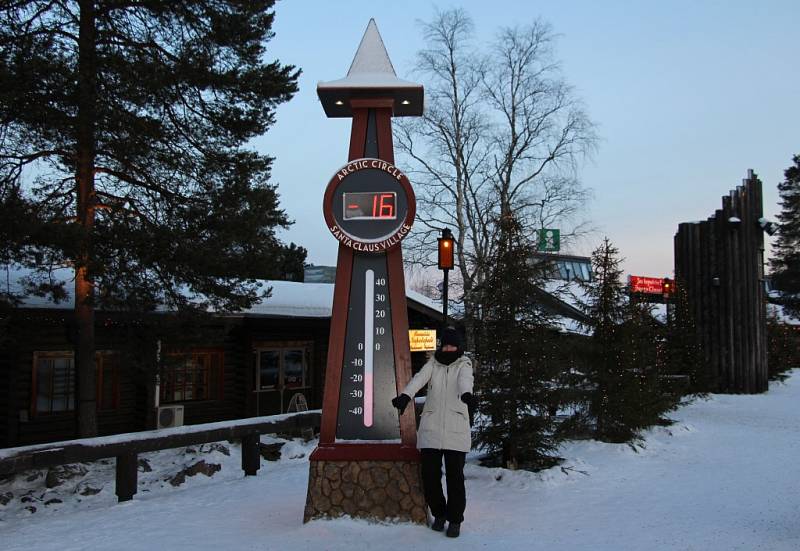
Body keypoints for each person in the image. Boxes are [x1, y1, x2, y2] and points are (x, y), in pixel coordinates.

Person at [392, 327, 475, 538]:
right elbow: (419, 379)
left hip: (455, 430)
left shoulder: (464, 365)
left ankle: (455, 519)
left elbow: (465, 382)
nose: (448, 349)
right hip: (431, 429)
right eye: (445, 345)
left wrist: (467, 395)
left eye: (452, 345)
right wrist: (405, 396)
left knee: (455, 479)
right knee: (430, 477)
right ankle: (439, 513)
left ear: (458, 347)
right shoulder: (433, 364)